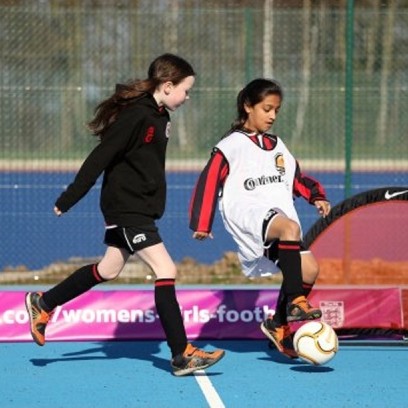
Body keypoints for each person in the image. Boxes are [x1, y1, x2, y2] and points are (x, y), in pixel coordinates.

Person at [25, 53, 225, 376]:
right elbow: (101, 156)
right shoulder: (137, 115)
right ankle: (181, 353)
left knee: (108, 268)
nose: (188, 97)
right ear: (168, 85)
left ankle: (43, 304)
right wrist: (70, 196)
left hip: (139, 209)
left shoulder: (161, 117)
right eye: (186, 91)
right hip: (127, 209)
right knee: (166, 268)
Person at [189, 78, 331, 359]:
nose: (272, 116)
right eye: (267, 108)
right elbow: (208, 183)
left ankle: (277, 324)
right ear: (248, 106)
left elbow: (295, 178)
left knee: (310, 270)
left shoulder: (278, 146)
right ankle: (295, 302)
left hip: (276, 218)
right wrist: (202, 224)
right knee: (289, 227)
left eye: (276, 110)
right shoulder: (230, 146)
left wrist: (316, 196)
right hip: (249, 214)